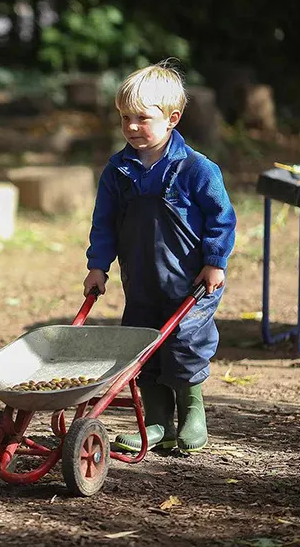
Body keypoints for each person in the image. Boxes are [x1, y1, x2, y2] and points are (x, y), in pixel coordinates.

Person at [82, 60, 236, 453]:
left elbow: (222, 218)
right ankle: (156, 423)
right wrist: (98, 266)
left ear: (172, 119)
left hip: (192, 282)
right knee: (142, 346)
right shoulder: (118, 170)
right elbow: (104, 223)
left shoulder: (196, 169)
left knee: (185, 343)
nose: (132, 127)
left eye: (142, 118)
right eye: (125, 118)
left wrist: (215, 262)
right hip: (143, 278)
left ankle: (192, 418)